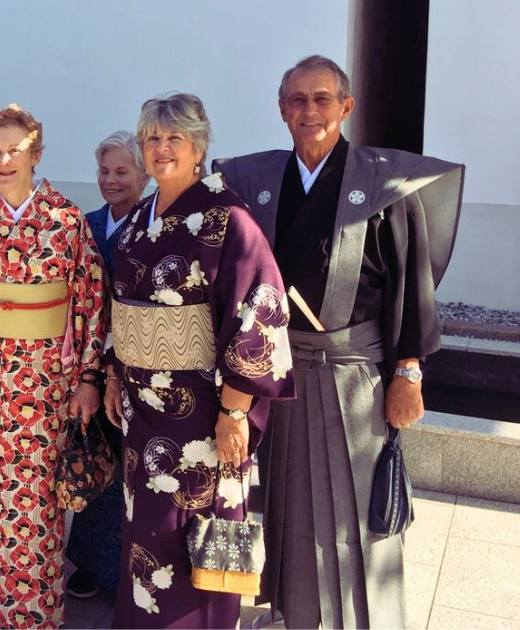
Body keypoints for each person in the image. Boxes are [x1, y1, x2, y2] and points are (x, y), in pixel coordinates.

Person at [214, 55, 464, 629]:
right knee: (287, 501)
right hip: (283, 367)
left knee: (356, 513)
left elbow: (409, 284)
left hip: (354, 372)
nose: (309, 111)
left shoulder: (382, 186)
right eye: (297, 100)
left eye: (322, 99)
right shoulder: (261, 181)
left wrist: (409, 372)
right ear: (282, 111)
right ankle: (296, 612)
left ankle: (364, 617)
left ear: (346, 107)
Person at [101, 93, 295, 629]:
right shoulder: (143, 215)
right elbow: (123, 306)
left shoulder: (227, 219)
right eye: (152, 138)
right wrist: (116, 373)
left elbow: (258, 312)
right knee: (146, 530)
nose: (161, 149)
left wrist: (235, 411)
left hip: (201, 412)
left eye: (174, 139)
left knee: (193, 536)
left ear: (199, 147)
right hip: (142, 407)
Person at [0, 104, 107, 630]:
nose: (4, 160)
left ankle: (33, 608)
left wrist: (89, 378)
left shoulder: (64, 219)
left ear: (36, 152)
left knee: (39, 499)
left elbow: (90, 301)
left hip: (47, 379)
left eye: (15, 150)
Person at [65, 129, 149, 600]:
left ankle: (128, 567)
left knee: (132, 464)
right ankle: (94, 563)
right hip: (87, 357)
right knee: (92, 455)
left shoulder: (156, 223)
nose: (111, 180)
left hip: (136, 357)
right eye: (104, 171)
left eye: (122, 171)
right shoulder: (87, 222)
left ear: (144, 174)